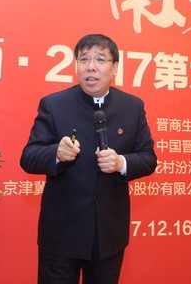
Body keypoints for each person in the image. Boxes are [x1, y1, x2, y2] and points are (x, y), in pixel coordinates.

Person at [21, 34, 157, 284]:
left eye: (100, 59)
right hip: (61, 234)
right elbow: (29, 157)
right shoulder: (54, 104)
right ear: (76, 66)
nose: (91, 66)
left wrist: (121, 163)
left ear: (115, 68)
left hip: (109, 235)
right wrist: (56, 154)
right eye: (84, 59)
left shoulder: (133, 107)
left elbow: (148, 158)